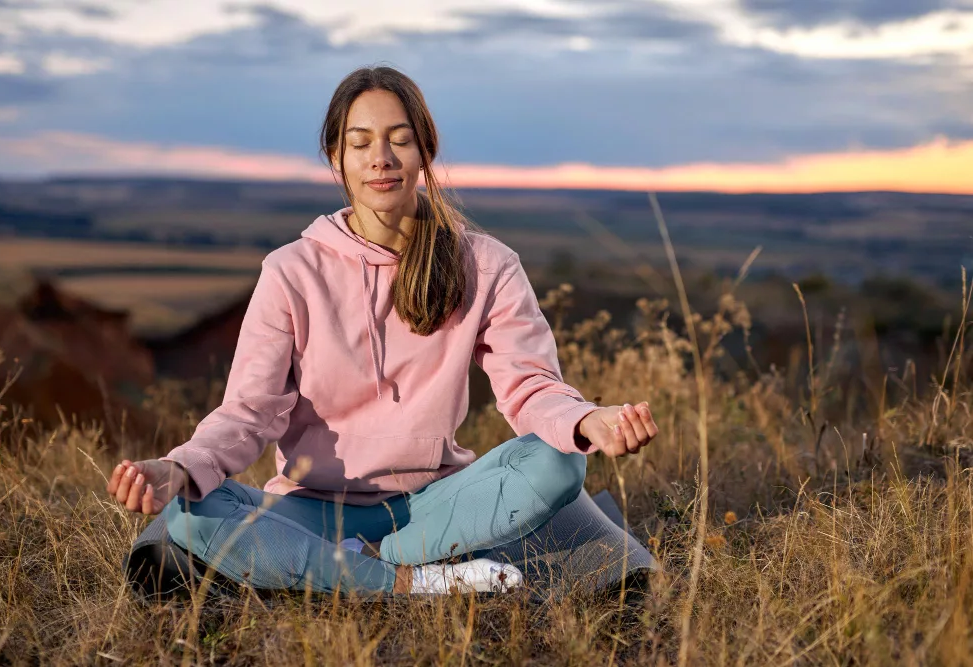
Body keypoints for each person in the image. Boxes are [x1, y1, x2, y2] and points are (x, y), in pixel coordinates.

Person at [108, 65, 658, 596]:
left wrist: (588, 419)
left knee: (559, 459)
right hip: (312, 507)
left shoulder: (486, 264)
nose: (382, 159)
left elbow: (531, 385)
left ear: (425, 152)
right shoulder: (290, 272)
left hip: (437, 503)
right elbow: (249, 412)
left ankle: (347, 572)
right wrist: (180, 465)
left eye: (400, 139)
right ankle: (413, 582)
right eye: (361, 142)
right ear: (336, 158)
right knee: (190, 509)